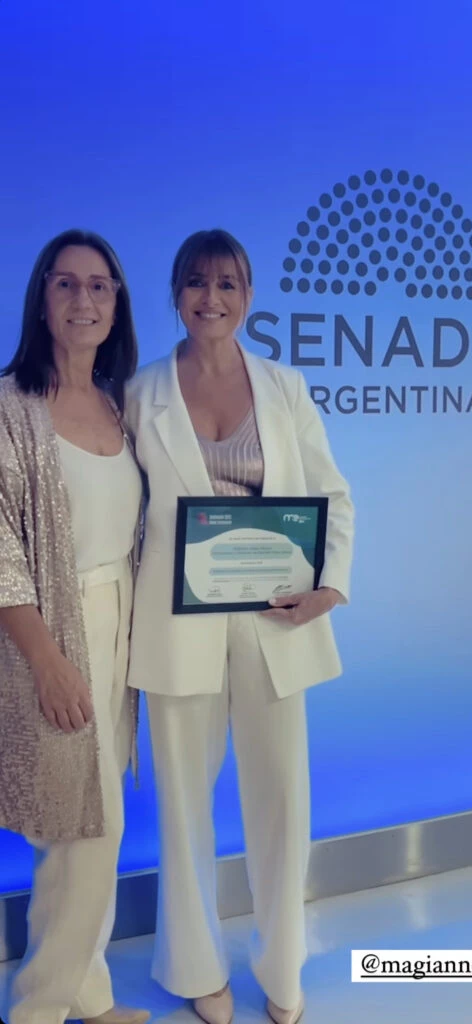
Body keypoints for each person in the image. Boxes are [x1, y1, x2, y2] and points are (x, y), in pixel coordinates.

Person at [126, 229, 354, 1024]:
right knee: (183, 808)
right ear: (176, 294)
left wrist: (328, 588)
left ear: (248, 296)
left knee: (281, 805)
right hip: (177, 624)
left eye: (226, 283)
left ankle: (280, 967)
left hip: (274, 622)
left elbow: (332, 498)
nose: (210, 297)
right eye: (195, 282)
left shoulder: (285, 389)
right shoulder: (139, 392)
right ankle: (196, 969)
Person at [0, 229, 150, 1024]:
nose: (83, 300)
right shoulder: (10, 406)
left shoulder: (122, 403)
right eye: (65, 285)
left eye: (99, 286)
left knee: (92, 824)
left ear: (117, 302)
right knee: (84, 827)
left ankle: (89, 993)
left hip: (120, 624)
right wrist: (49, 662)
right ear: (42, 299)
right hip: (49, 633)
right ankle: (39, 1008)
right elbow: (0, 551)